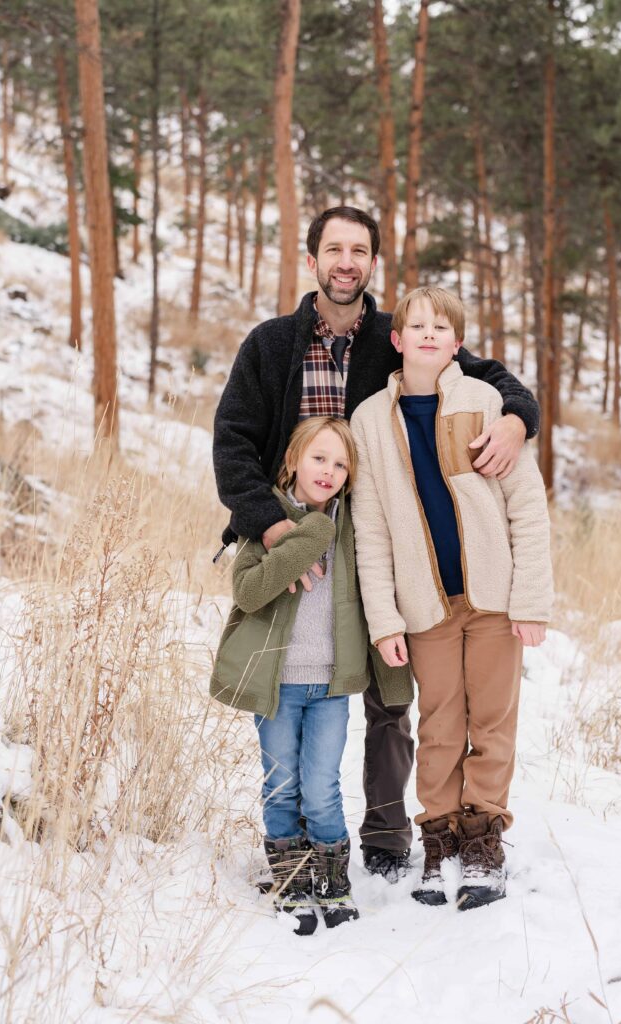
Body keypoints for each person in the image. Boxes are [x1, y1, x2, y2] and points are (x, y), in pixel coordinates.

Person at [213, 206, 540, 881]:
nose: (345, 262)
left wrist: (516, 422)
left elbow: (485, 377)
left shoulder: (395, 334)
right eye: (332, 249)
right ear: (311, 260)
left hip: (383, 544)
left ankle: (389, 837)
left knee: (390, 700)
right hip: (295, 541)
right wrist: (271, 526)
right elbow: (232, 444)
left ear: (371, 262)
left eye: (357, 250)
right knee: (294, 686)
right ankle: (297, 838)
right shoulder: (271, 344)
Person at [350, 286, 553, 910]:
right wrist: (384, 618)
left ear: (457, 343)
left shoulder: (488, 402)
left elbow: (526, 506)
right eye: (417, 325)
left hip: (492, 600)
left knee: (492, 722)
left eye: (442, 326)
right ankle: (438, 838)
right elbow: (372, 530)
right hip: (424, 606)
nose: (429, 334)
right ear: (396, 339)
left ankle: (483, 837)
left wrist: (532, 602)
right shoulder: (369, 422)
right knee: (440, 725)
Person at [209, 416, 413, 934]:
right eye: (319, 458)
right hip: (275, 685)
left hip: (328, 686)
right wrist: (306, 537)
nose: (328, 471)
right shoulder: (265, 519)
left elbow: (373, 586)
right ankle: (290, 877)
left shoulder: (351, 528)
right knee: (281, 786)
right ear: (293, 460)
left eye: (341, 463)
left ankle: (331, 878)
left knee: (321, 785)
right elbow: (250, 593)